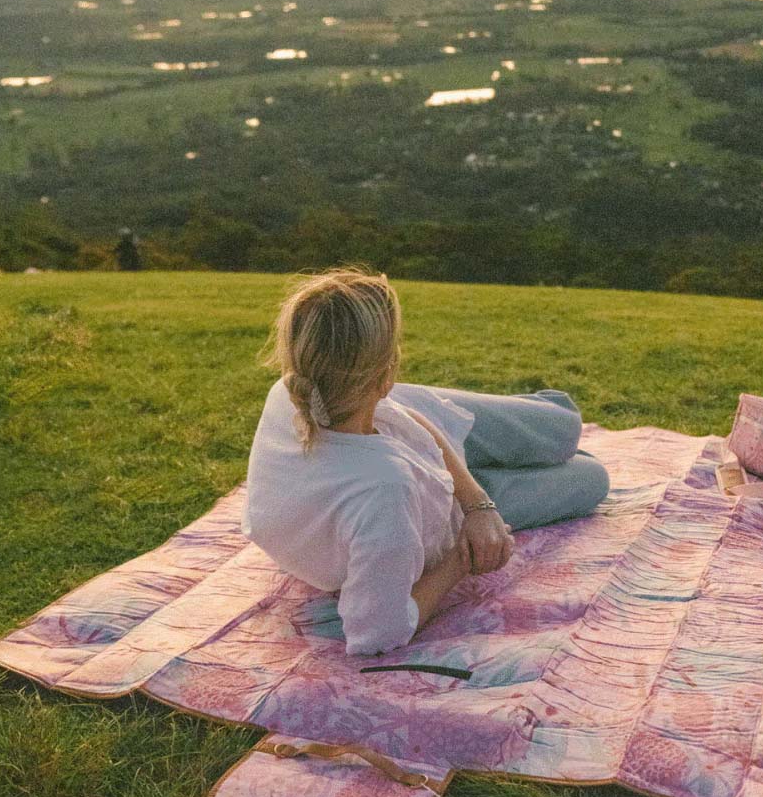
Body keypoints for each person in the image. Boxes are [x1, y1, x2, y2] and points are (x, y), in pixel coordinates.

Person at [242, 266, 611, 656]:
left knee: (563, 425)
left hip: (438, 450)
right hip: (434, 507)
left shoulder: (296, 391)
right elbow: (377, 633)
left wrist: (478, 503)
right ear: (384, 377)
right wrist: (459, 561)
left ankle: (532, 446)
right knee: (590, 476)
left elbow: (402, 414)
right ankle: (530, 456)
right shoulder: (384, 490)